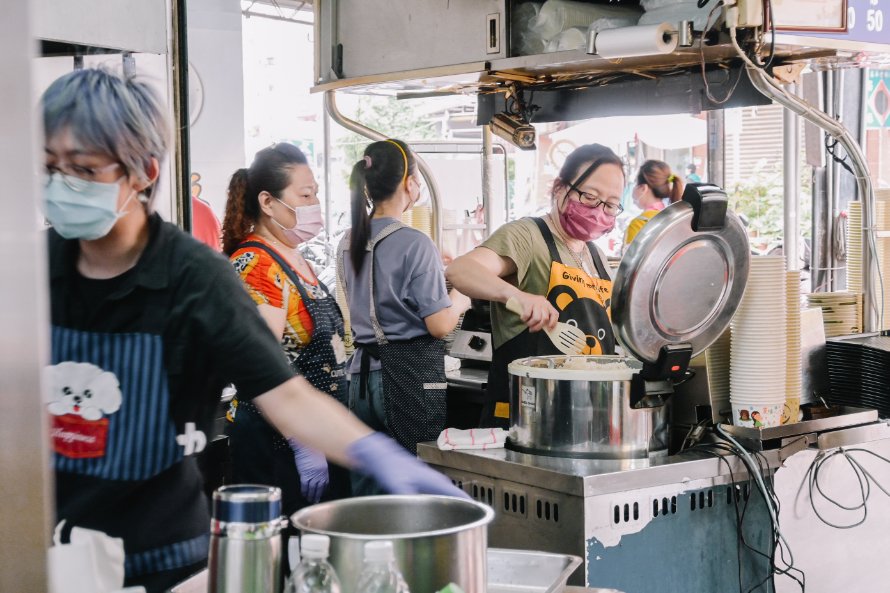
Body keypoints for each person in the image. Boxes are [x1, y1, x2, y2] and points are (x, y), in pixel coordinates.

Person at [41, 68, 464, 593]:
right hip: (43, 547)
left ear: (143, 172)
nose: (62, 185)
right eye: (49, 167)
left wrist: (373, 451)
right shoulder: (31, 269)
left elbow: (281, 390)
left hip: (160, 559)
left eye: (82, 169)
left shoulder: (193, 277)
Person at [446, 144, 625, 428]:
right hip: (526, 417)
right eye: (590, 197)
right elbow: (460, 270)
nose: (599, 211)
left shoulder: (597, 257)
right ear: (559, 189)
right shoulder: (527, 236)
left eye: (611, 204)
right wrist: (517, 296)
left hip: (584, 414)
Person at [220, 143, 349, 521]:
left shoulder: (294, 257)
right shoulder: (257, 264)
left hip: (315, 434)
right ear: (268, 202)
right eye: (305, 195)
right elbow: (257, 363)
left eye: (316, 194)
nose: (315, 205)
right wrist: (301, 440)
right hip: (277, 443)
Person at [338, 139, 470, 494]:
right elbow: (440, 324)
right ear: (409, 183)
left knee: (369, 484)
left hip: (361, 378)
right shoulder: (414, 242)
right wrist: (461, 296)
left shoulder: (348, 240)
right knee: (413, 484)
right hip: (409, 375)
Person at [623, 160, 684, 248]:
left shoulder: (639, 223)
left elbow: (629, 261)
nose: (633, 188)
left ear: (643, 188)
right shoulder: (672, 219)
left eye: (635, 183)